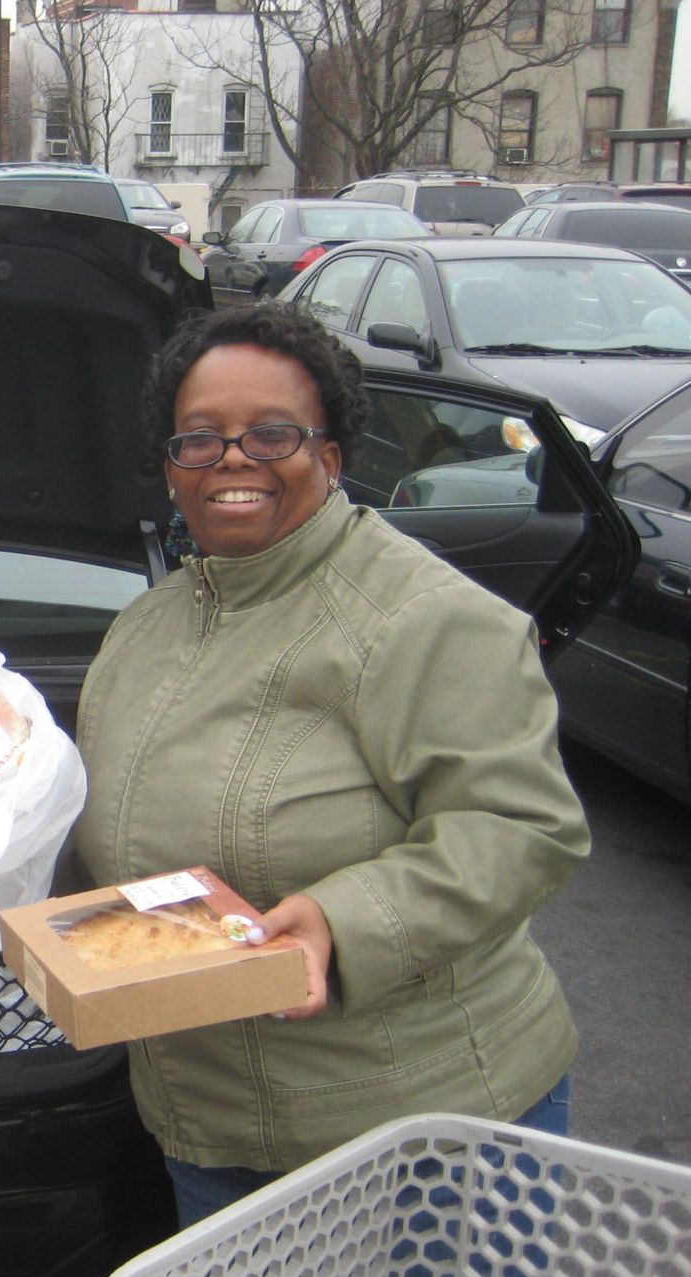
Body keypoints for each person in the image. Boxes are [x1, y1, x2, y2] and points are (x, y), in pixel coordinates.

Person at [72, 299, 584, 1229]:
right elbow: (113, 828)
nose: (232, 459)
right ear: (171, 469)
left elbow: (519, 828)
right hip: (207, 1129)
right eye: (199, 439)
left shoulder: (425, 619)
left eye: (272, 434)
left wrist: (344, 924)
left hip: (419, 1144)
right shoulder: (146, 626)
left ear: (331, 457)